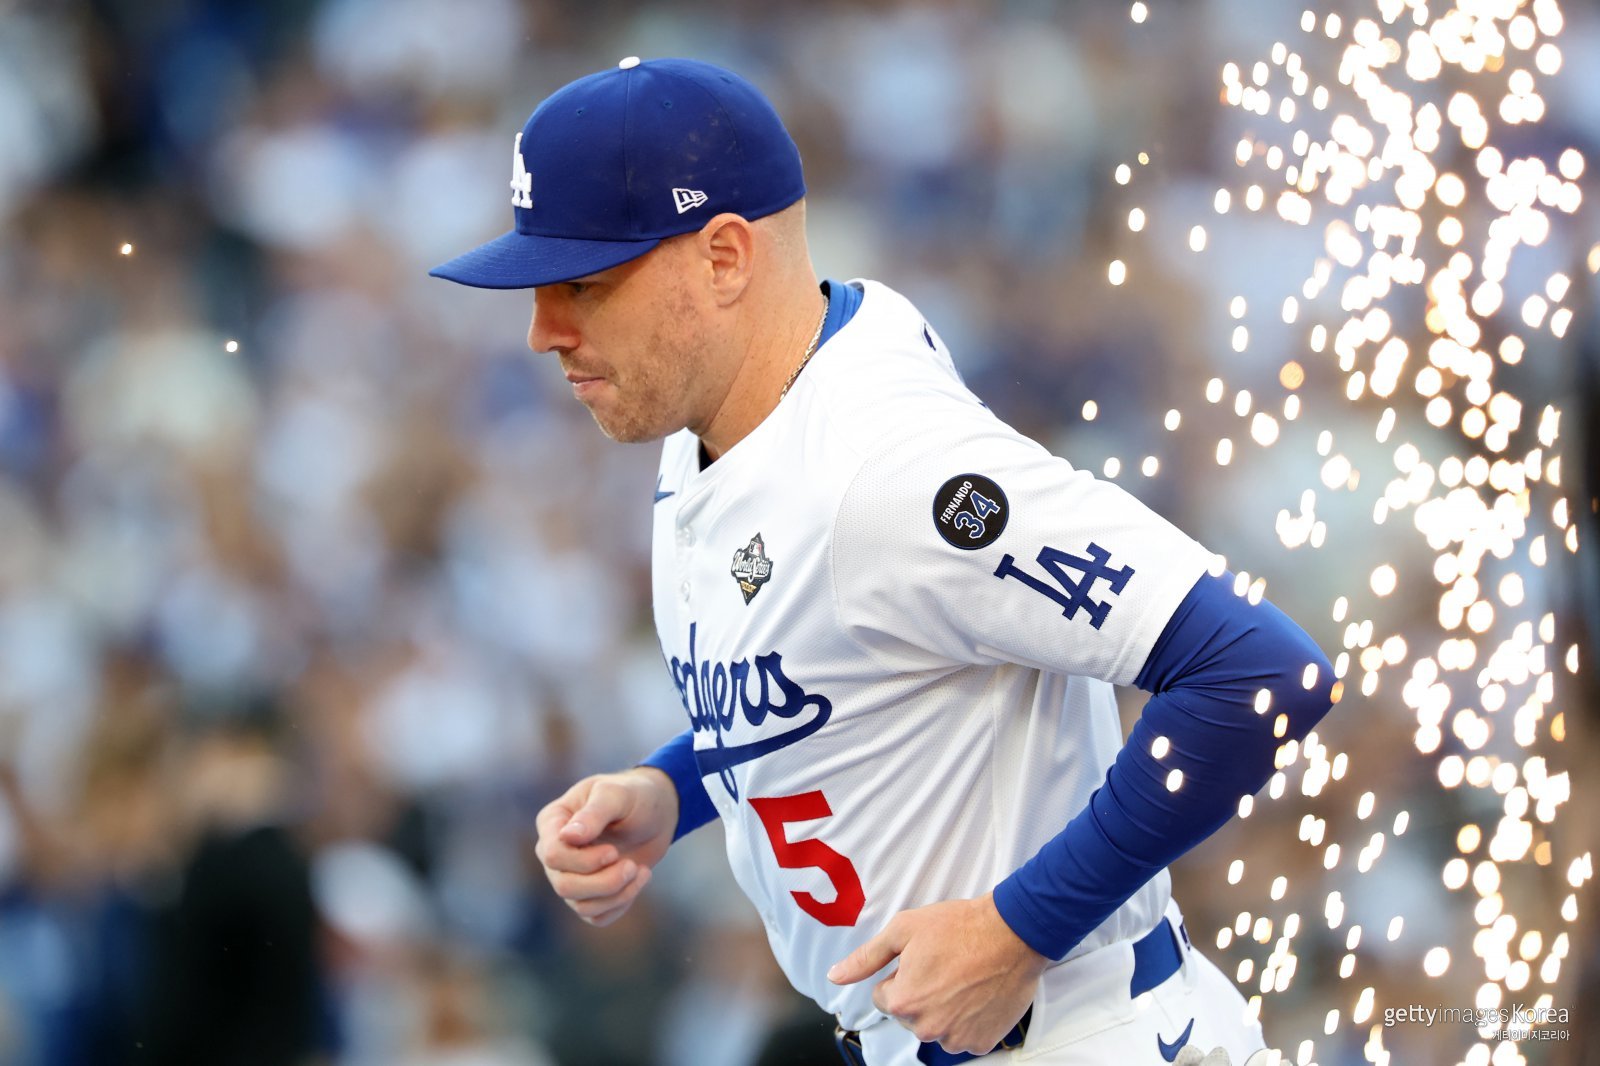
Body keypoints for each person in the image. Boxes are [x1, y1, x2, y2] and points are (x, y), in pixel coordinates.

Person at [431, 56, 1335, 1066]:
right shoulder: (730, 409)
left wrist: (1022, 925)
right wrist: (674, 788)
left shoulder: (889, 468)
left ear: (724, 257)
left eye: (582, 284)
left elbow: (1261, 670)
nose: (542, 331)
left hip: (1072, 1033)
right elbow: (839, 673)